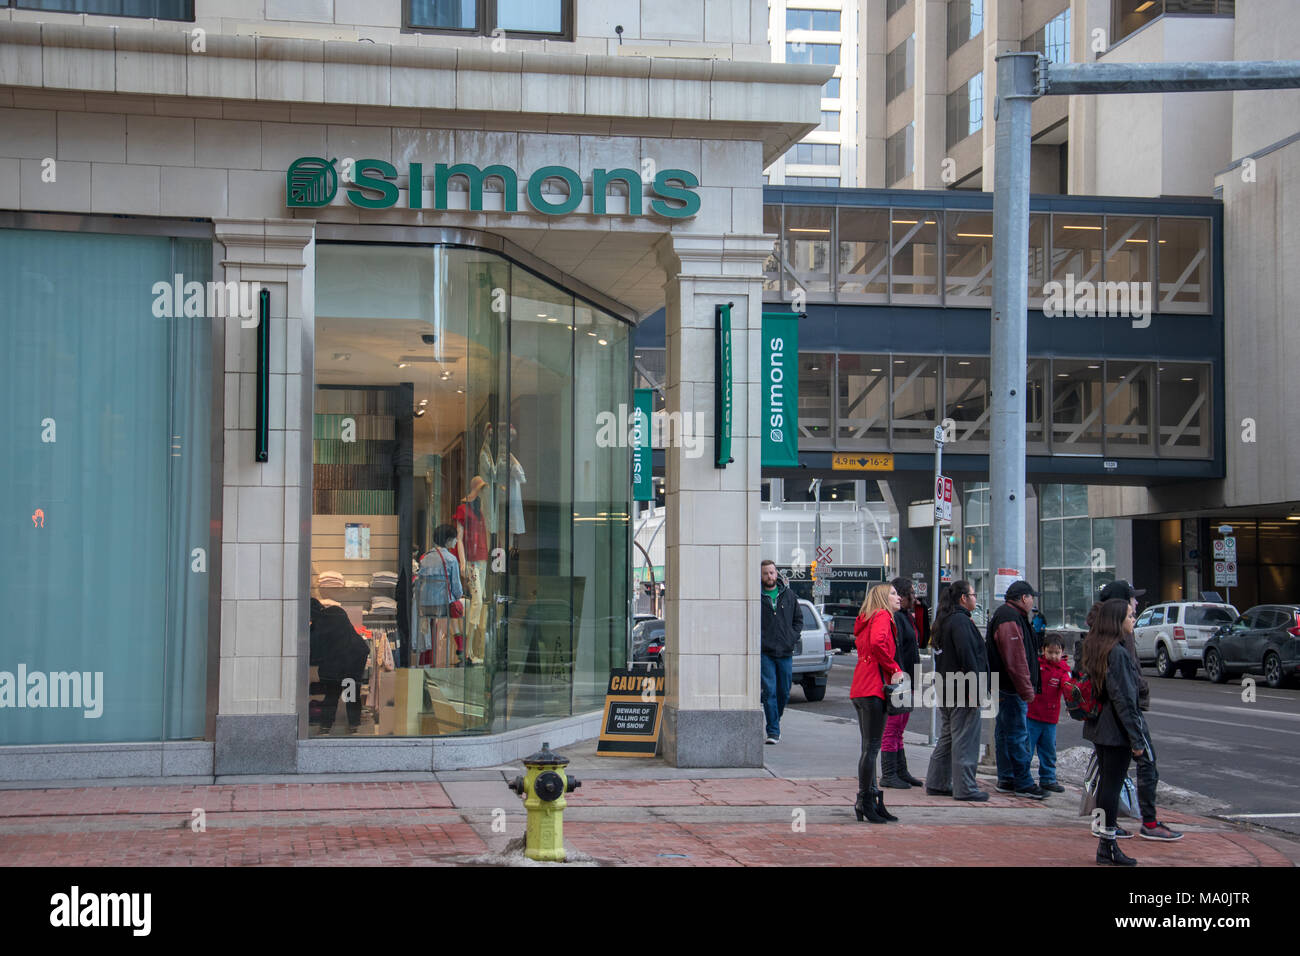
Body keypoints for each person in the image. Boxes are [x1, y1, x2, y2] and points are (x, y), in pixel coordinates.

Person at [1096, 580, 1181, 841]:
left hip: (1104, 720)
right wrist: (1136, 738)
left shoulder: (1101, 633)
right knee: (1143, 765)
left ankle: (1104, 828)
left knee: (1108, 777)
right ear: (1120, 607)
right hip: (1119, 718)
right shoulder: (1118, 642)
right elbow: (1123, 691)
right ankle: (1144, 824)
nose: (1136, 607)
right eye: (1132, 603)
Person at [1080, 598, 1147, 865]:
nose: (1134, 619)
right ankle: (1107, 845)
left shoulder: (1097, 647)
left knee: (1107, 785)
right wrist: (1136, 738)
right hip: (1115, 730)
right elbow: (1125, 700)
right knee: (1111, 786)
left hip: (1099, 727)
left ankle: (1106, 843)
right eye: (1130, 615)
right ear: (1117, 621)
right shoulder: (1117, 653)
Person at [925, 580, 991, 801]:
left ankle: (937, 782)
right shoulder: (961, 622)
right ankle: (965, 788)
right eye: (973, 595)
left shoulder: (944, 620)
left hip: (947, 686)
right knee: (965, 738)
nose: (975, 599)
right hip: (963, 689)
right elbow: (968, 656)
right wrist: (976, 688)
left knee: (948, 737)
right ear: (963, 598)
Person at [986, 580, 1046, 798]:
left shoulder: (1012, 616)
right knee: (1017, 734)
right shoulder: (1010, 618)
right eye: (1032, 597)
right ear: (1023, 598)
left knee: (1004, 732)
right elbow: (1016, 659)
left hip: (1004, 687)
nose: (1033, 602)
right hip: (1010, 688)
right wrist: (1027, 690)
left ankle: (1007, 778)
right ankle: (1022, 781)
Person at [850, 583, 903, 824]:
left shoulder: (867, 618)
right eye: (893, 593)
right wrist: (894, 669)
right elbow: (878, 644)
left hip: (861, 687)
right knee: (872, 748)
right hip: (874, 689)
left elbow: (869, 645)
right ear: (883, 598)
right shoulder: (882, 616)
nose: (898, 597)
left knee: (867, 748)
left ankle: (871, 799)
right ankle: (865, 800)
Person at [880, 577, 924, 788]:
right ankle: (889, 773)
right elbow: (893, 651)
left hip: (908, 678)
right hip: (899, 679)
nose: (914, 597)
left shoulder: (907, 617)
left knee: (899, 727)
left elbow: (920, 641)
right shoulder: (895, 618)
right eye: (911, 594)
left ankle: (900, 769)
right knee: (893, 727)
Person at [310, 598, 370, 735]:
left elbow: (316, 647)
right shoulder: (336, 612)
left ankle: (326, 727)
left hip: (341, 662)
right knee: (350, 694)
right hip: (353, 658)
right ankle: (353, 727)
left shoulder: (318, 624)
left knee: (332, 695)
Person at [760, 558, 803, 745]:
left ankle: (775, 721)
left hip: (785, 651)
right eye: (766, 573)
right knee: (769, 691)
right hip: (765, 652)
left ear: (776, 573)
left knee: (783, 692)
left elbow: (798, 620)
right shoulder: (757, 597)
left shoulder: (788, 595)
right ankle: (773, 731)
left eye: (772, 572)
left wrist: (791, 637)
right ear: (761, 576)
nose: (769, 576)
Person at [1026, 633, 1070, 793]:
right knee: (1027, 750)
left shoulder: (1063, 670)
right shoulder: (1036, 665)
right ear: (1043, 650)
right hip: (1032, 716)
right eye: (1050, 652)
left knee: (1048, 751)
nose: (1053, 656)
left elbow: (1068, 687)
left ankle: (1048, 779)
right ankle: (1024, 778)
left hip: (1050, 719)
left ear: (1062, 652)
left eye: (1057, 653)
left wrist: (1072, 703)